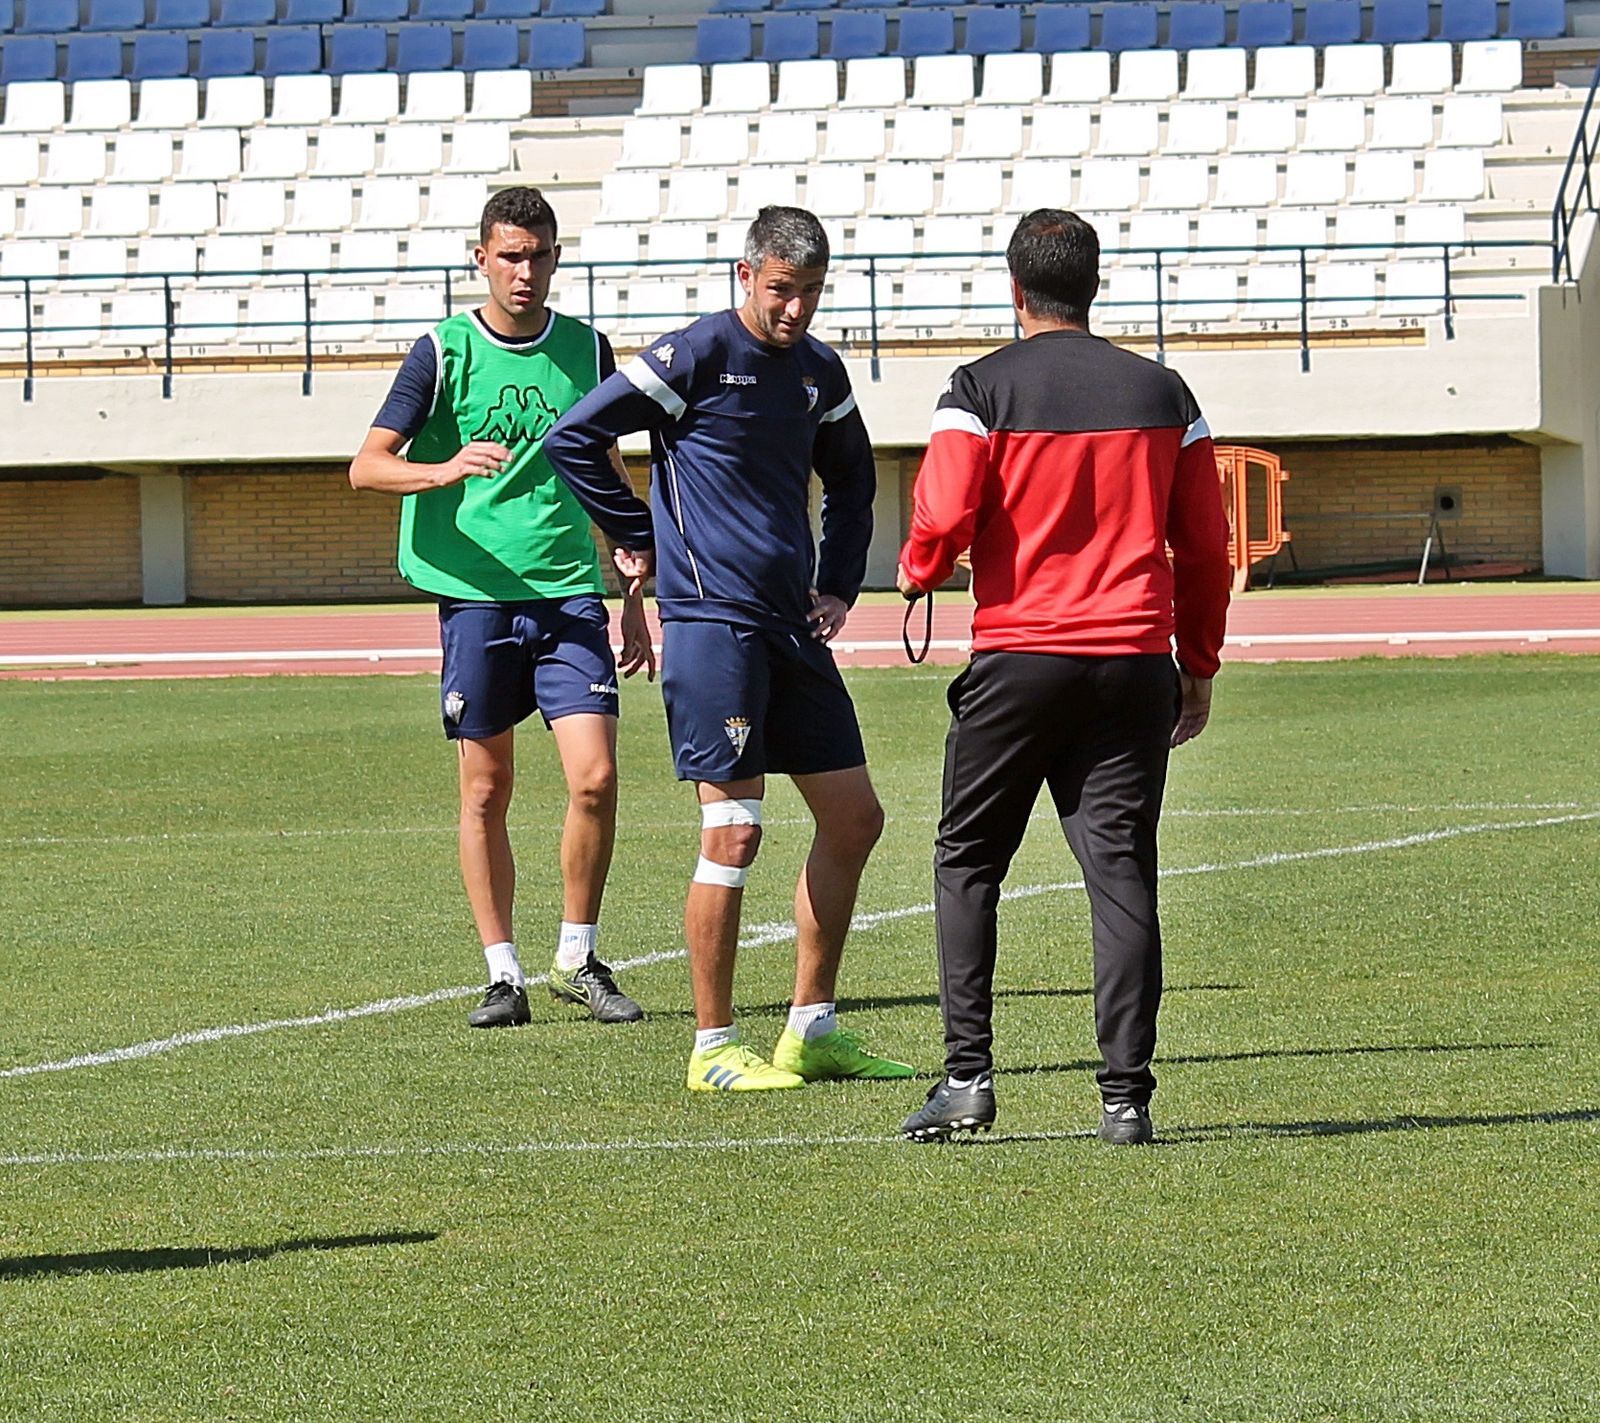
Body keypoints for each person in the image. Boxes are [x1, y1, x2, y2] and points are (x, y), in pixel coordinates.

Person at [543, 205, 914, 1093]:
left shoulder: (819, 370)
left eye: (812, 294)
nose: (796, 311)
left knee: (857, 817)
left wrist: (840, 577)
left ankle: (812, 1027)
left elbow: (854, 478)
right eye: (783, 290)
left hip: (791, 624)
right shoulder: (694, 356)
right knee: (735, 827)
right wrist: (644, 533)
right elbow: (574, 437)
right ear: (745, 275)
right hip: (713, 625)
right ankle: (713, 1046)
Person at [896, 209, 1231, 1145]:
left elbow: (946, 510)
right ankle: (1126, 1098)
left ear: (1015, 288)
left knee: (968, 861)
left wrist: (921, 567)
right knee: (1121, 874)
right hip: (1132, 661)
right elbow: (1206, 548)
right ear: (1094, 285)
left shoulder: (978, 387)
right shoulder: (1165, 391)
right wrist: (1196, 664)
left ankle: (968, 1077)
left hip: (1021, 656)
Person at [349, 186, 654, 1031]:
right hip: (475, 596)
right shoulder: (442, 351)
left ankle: (578, 957)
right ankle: (502, 972)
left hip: (566, 591)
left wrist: (633, 580)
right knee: (488, 787)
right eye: (510, 255)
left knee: (594, 777)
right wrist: (442, 471)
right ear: (480, 258)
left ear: (558, 259)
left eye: (541, 254)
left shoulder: (588, 352)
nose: (526, 271)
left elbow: (608, 471)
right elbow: (366, 467)